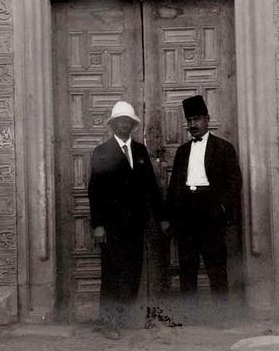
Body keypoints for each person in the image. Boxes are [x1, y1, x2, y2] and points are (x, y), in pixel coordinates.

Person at [87, 99, 169, 338]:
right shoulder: (101, 152)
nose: (124, 125)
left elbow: (152, 189)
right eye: (119, 121)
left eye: (128, 121)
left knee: (133, 272)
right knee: (111, 273)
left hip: (136, 224)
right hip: (111, 226)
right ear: (112, 125)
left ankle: (123, 318)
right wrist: (98, 224)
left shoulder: (141, 151)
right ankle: (108, 323)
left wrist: (161, 217)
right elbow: (95, 192)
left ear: (133, 125)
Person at [166, 95, 243, 313]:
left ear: (208, 119)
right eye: (189, 120)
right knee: (187, 265)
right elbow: (174, 186)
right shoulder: (182, 152)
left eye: (197, 119)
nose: (193, 125)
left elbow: (234, 182)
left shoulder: (224, 148)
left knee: (215, 264)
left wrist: (222, 208)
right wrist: (171, 217)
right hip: (186, 210)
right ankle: (190, 315)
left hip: (211, 210)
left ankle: (221, 315)